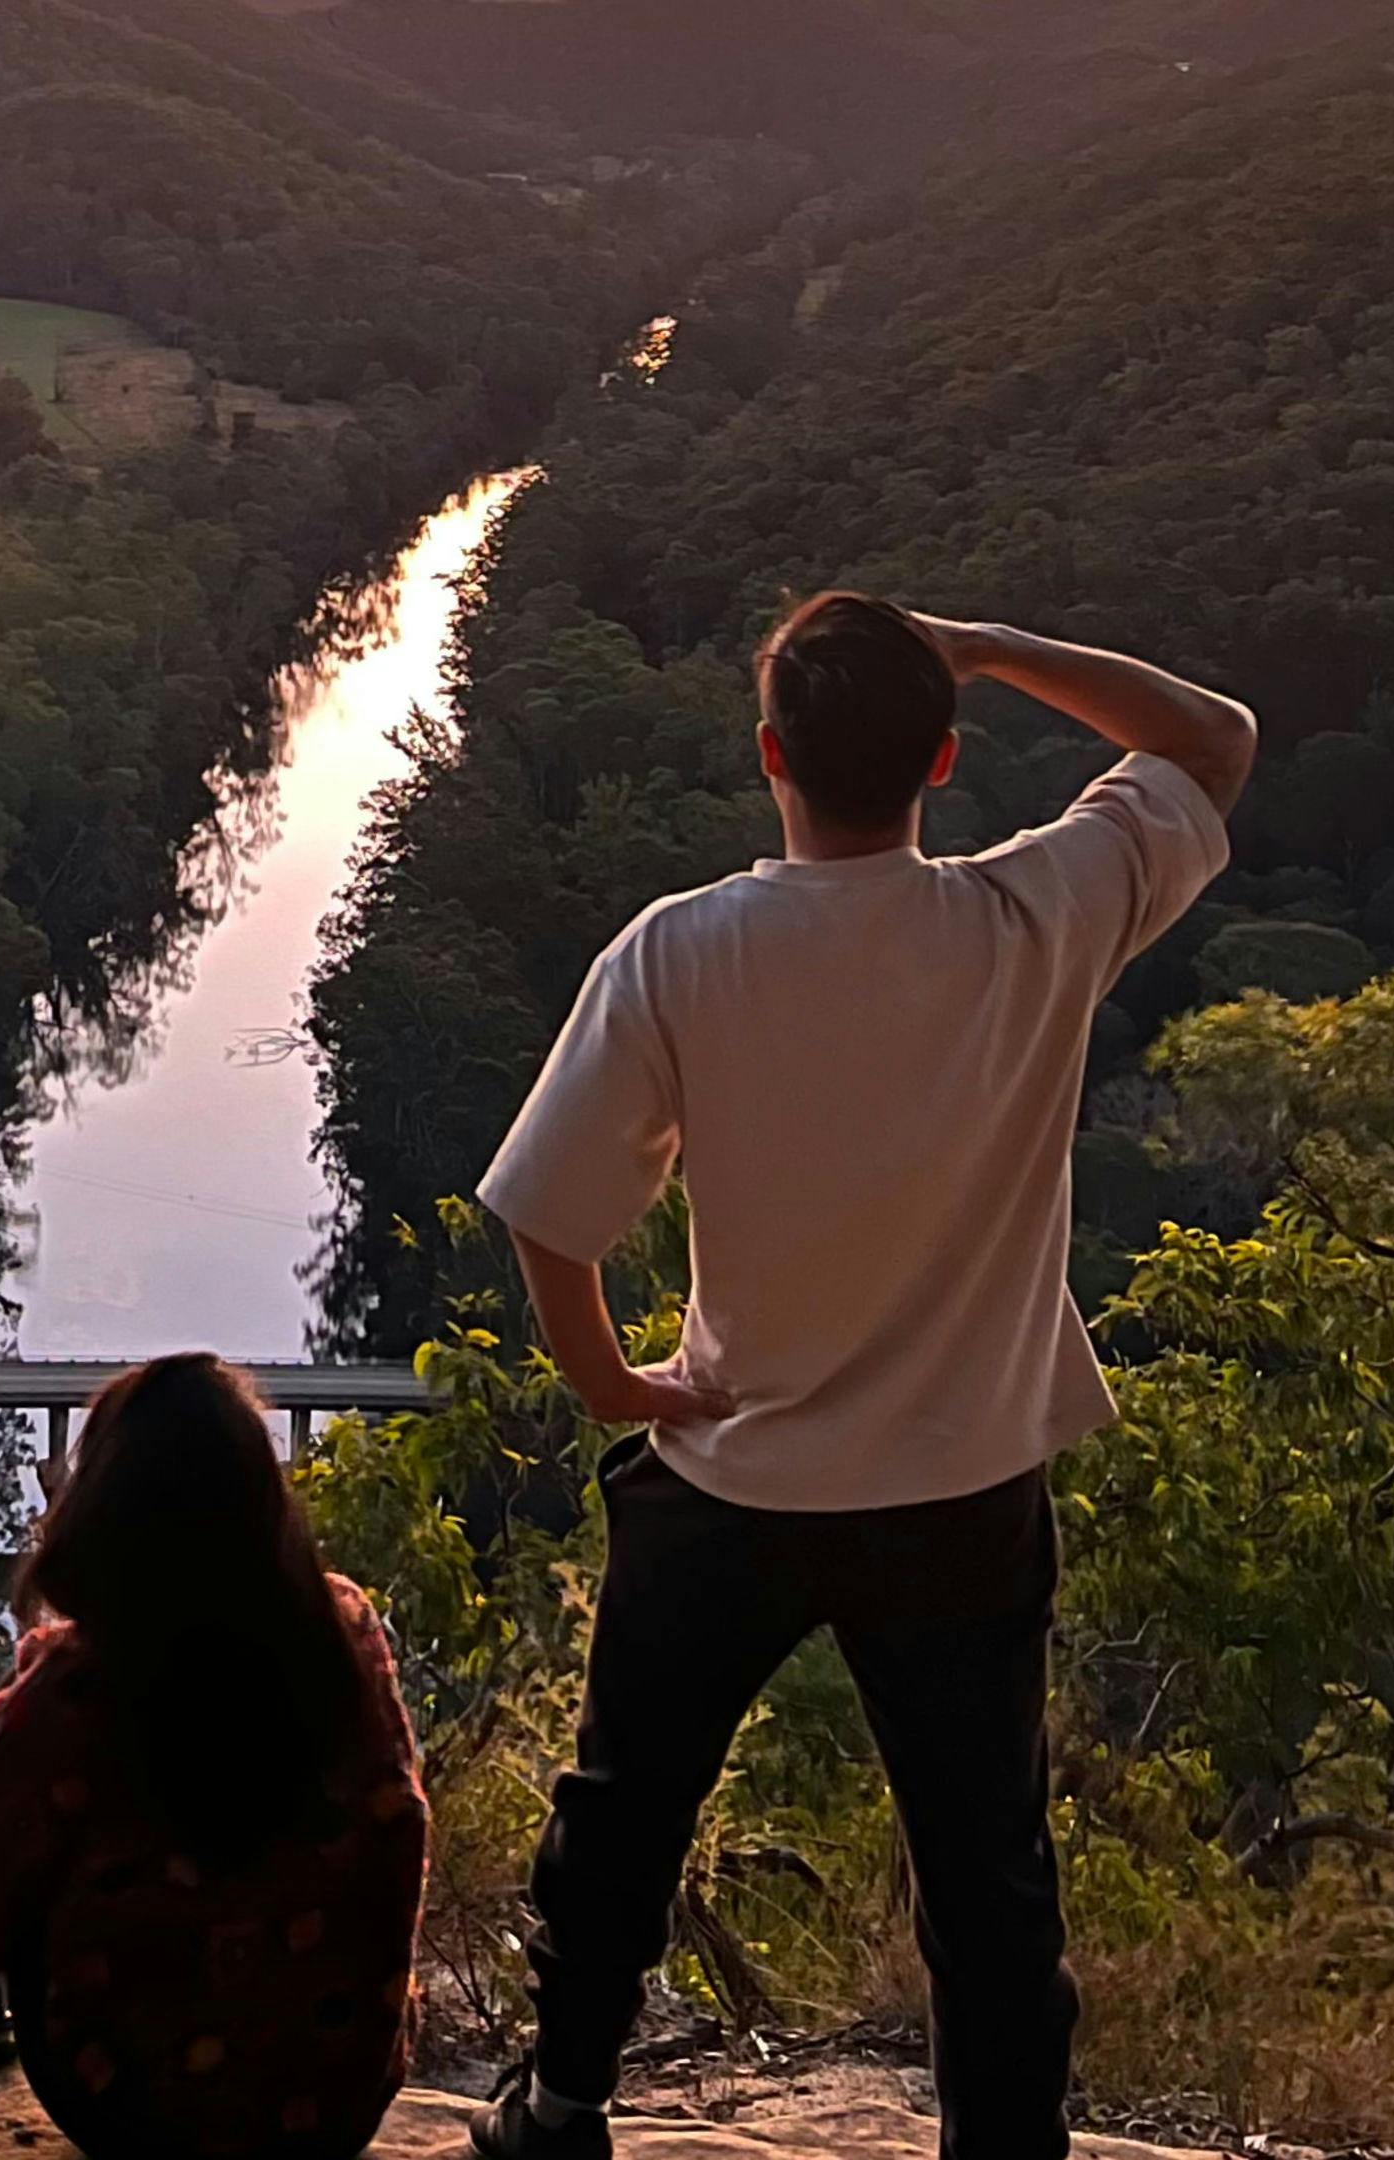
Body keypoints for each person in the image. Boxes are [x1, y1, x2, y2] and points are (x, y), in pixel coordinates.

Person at [464, 594, 1254, 2160]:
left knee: (626, 1803)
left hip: (733, 1473)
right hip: (963, 1488)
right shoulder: (1039, 913)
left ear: (770, 757)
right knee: (985, 1863)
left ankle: (561, 2109)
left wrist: (616, 1381)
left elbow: (549, 1216)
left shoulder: (682, 950)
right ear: (945, 761)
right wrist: (986, 639)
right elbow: (1212, 740)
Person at [0, 1355, 428, 2160]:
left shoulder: (79, 1684)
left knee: (7, 1827)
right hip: (333, 2102)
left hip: (129, 2108)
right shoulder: (345, 1633)